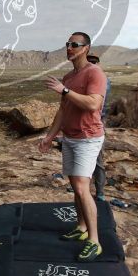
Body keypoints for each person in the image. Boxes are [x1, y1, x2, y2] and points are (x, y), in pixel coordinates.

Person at [39, 32, 107, 262]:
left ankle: (94, 241)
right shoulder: (68, 77)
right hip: (70, 137)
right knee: (74, 185)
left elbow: (93, 104)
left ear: (86, 48)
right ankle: (81, 227)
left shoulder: (94, 73)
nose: (69, 47)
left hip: (88, 138)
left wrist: (64, 91)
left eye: (75, 44)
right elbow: (62, 111)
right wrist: (50, 137)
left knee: (80, 187)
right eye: (68, 44)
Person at [87, 54, 111, 201]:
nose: (92, 65)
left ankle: (100, 191)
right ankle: (93, 189)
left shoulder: (102, 80)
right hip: (94, 121)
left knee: (96, 159)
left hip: (95, 122)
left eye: (93, 63)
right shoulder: (103, 79)